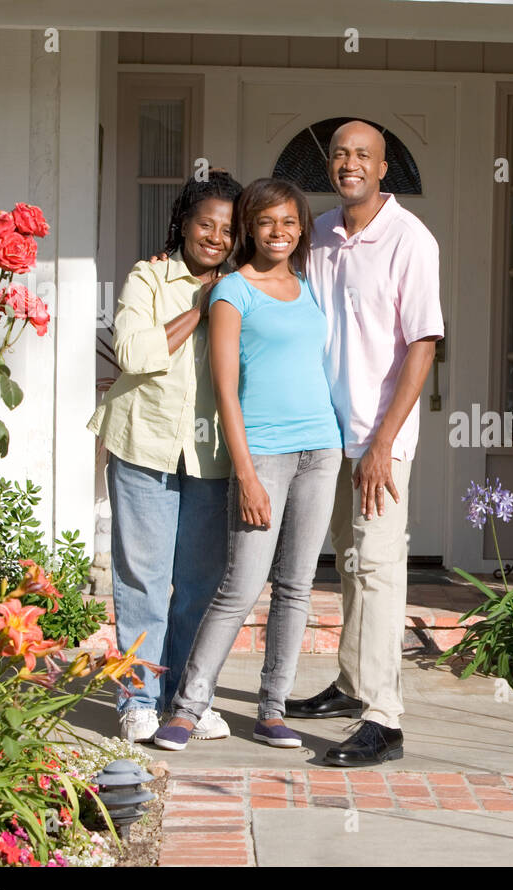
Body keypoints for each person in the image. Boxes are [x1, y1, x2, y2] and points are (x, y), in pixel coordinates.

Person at [153, 178, 343, 751]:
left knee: (296, 587)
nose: (278, 232)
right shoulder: (233, 292)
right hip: (262, 453)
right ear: (250, 229)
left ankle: (272, 710)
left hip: (321, 449)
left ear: (301, 228)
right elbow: (226, 390)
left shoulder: (311, 288)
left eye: (289, 222)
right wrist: (247, 474)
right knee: (240, 585)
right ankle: (186, 708)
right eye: (266, 222)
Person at [283, 120, 443, 767]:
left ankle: (386, 719)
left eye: (364, 156)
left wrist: (382, 442)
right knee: (348, 566)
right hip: (330, 435)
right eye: (342, 154)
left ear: (384, 168)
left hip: (382, 440)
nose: (351, 163)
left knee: (377, 570)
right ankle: (352, 685)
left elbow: (422, 347)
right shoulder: (318, 234)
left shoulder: (410, 239)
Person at [88, 170, 242, 743]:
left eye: (228, 229)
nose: (216, 237)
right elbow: (131, 351)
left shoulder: (244, 285)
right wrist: (202, 307)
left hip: (212, 453)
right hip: (144, 443)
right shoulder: (149, 276)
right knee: (142, 580)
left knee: (200, 586)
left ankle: (186, 702)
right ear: (183, 223)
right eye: (206, 224)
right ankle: (137, 699)